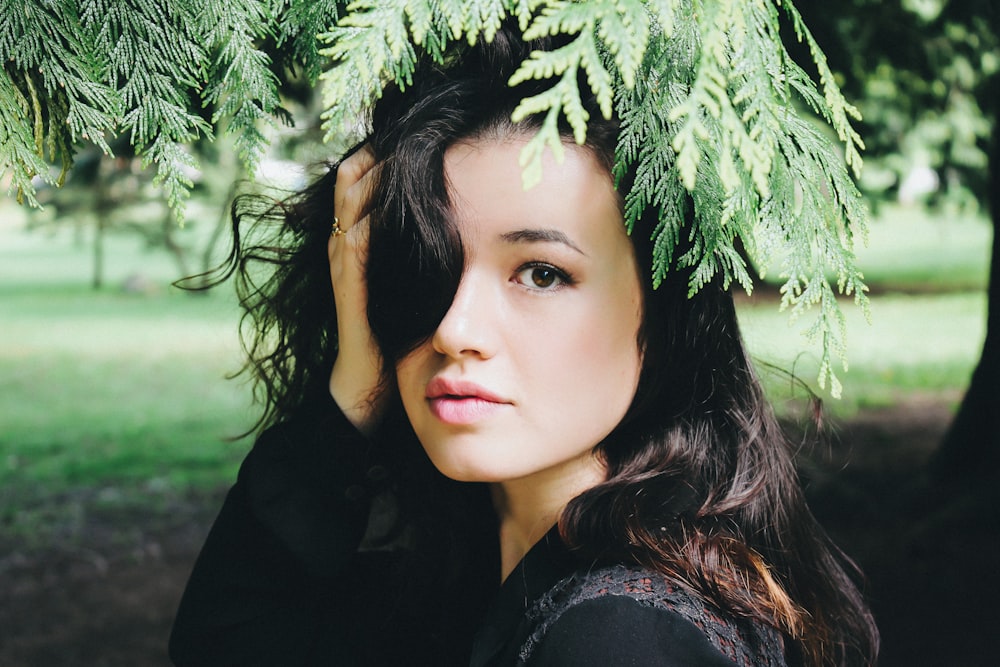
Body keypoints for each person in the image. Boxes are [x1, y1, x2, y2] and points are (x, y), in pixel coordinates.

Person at [169, 23, 878, 667]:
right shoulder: (490, 570)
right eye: (431, 264)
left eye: (542, 273)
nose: (455, 327)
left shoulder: (614, 638)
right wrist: (358, 388)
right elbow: (228, 640)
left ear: (660, 317)